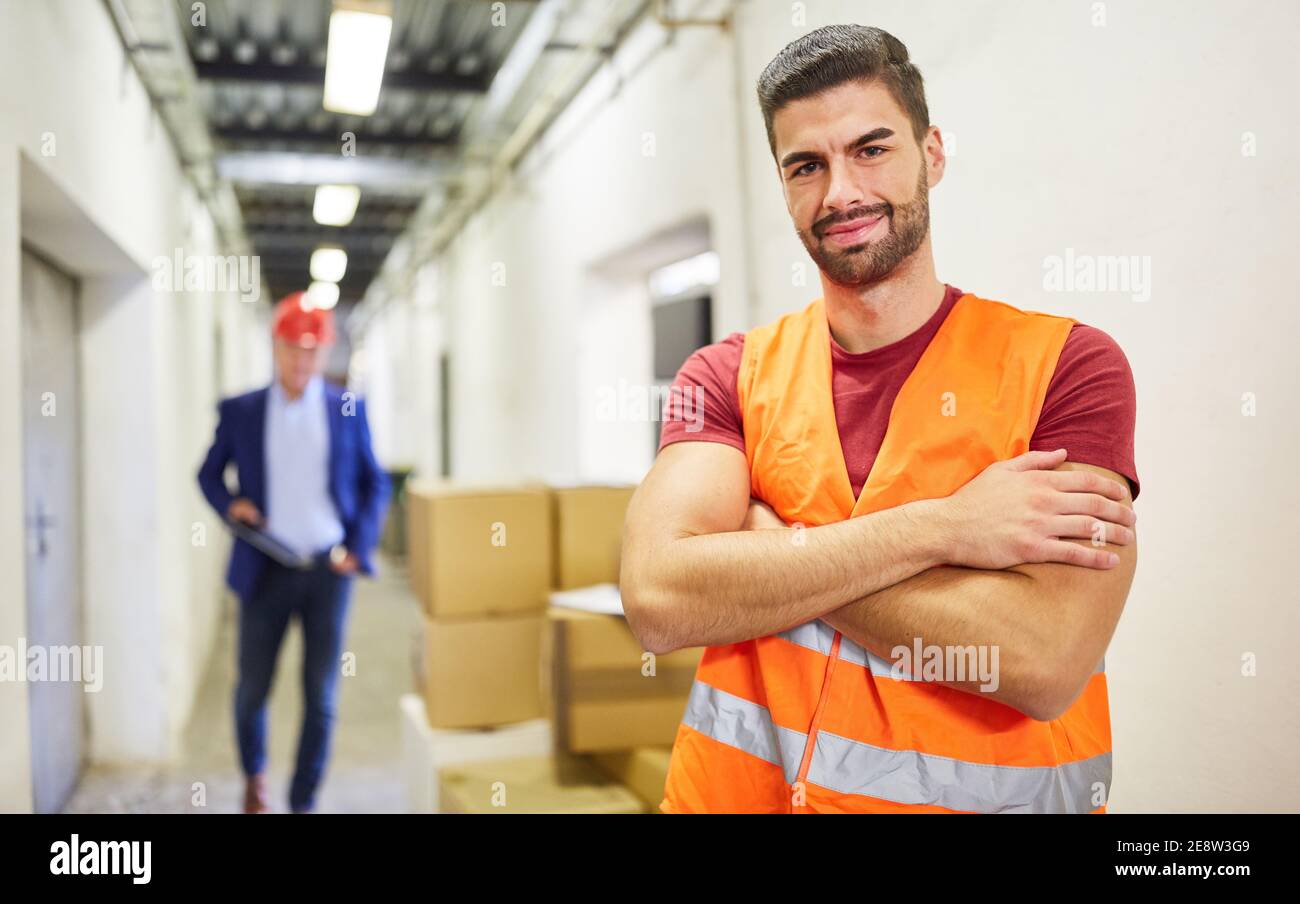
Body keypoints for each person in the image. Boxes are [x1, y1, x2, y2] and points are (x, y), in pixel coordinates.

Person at [621, 25, 1140, 813]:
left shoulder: (1068, 368)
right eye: (806, 165)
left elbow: (1043, 658)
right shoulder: (726, 375)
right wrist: (944, 529)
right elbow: (659, 600)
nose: (840, 194)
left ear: (932, 153)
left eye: (871, 149)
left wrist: (769, 545)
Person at [197, 292, 389, 813]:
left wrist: (359, 546)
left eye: (311, 350)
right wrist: (231, 505)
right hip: (266, 566)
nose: (301, 361)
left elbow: (375, 482)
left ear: (324, 353)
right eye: (292, 349)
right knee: (252, 688)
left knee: (321, 697)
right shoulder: (243, 411)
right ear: (274, 347)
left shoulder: (346, 408)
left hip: (328, 569)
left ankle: (303, 800)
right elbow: (208, 475)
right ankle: (255, 779)